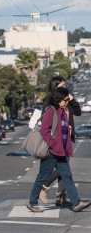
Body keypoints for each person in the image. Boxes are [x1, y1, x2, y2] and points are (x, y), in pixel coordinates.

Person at [27, 87, 90, 213]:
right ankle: (32, 202)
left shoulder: (62, 111)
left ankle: (76, 203)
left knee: (67, 176)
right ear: (58, 99)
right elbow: (44, 130)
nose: (67, 102)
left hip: (61, 151)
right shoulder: (50, 111)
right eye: (65, 100)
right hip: (52, 152)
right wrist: (53, 144)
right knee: (42, 176)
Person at [39, 75, 81, 206]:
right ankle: (44, 187)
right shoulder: (50, 101)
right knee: (63, 169)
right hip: (55, 141)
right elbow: (45, 119)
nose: (65, 88)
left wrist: (71, 99)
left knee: (64, 170)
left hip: (66, 140)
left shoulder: (66, 101)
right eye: (62, 86)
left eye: (65, 85)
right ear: (55, 87)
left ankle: (61, 197)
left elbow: (78, 112)